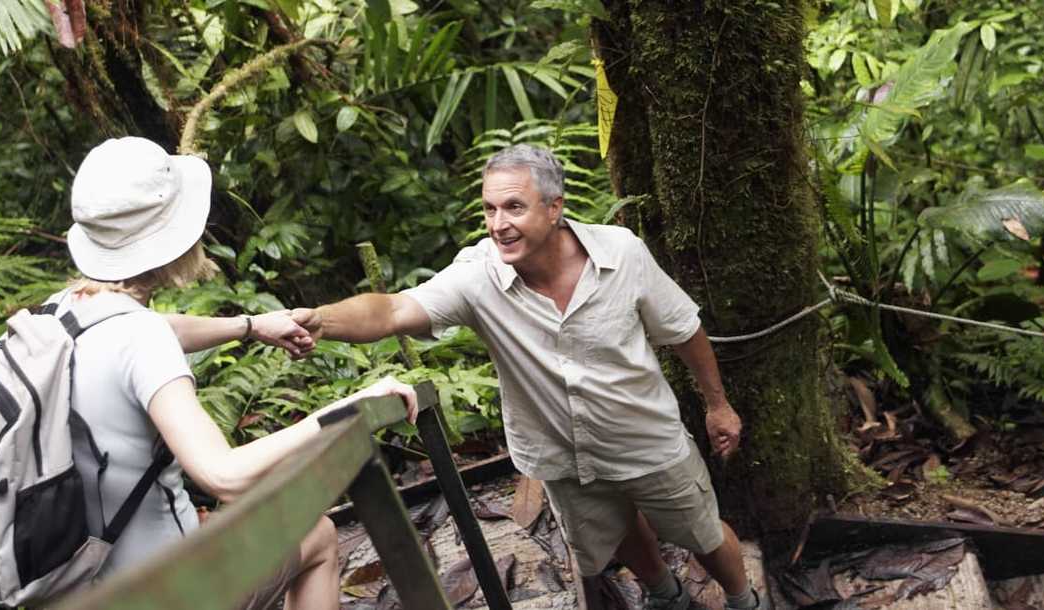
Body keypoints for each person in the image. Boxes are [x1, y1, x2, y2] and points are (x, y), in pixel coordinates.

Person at [290, 145, 766, 610]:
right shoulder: (479, 276)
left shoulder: (621, 254)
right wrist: (321, 321)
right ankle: (666, 594)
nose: (499, 224)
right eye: (490, 209)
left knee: (702, 532)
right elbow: (393, 309)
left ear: (555, 208)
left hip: (645, 436)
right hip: (562, 456)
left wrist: (717, 404)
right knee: (614, 534)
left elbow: (683, 328)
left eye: (514, 207)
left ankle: (744, 600)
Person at [58, 136, 414, 610]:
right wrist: (351, 409)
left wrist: (248, 326)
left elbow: (160, 330)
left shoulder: (60, 316)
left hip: (75, 587)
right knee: (319, 536)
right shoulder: (140, 339)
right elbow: (223, 476)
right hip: (163, 593)